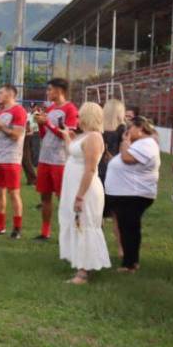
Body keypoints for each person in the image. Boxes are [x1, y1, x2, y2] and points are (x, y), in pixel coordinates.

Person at [58, 103, 109, 284]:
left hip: (85, 189)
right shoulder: (83, 135)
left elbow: (90, 169)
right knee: (74, 221)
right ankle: (80, 261)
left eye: (80, 116)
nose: (77, 119)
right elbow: (73, 154)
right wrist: (68, 138)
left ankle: (83, 272)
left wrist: (80, 196)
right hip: (73, 186)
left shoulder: (95, 137)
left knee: (84, 224)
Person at [105, 116, 161, 273]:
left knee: (129, 229)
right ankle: (130, 261)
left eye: (130, 128)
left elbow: (127, 158)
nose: (127, 132)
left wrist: (125, 143)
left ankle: (129, 264)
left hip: (133, 194)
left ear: (140, 129)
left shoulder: (147, 144)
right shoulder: (142, 144)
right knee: (129, 228)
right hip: (128, 193)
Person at [34, 78, 78, 241]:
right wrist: (40, 124)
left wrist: (48, 124)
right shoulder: (50, 108)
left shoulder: (70, 109)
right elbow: (45, 135)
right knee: (45, 197)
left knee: (63, 198)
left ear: (59, 90)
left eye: (50, 89)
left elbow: (69, 135)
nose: (48, 92)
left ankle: (68, 233)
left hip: (60, 159)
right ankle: (45, 231)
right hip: (45, 158)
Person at [0, 85, 27, 238]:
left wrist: (0, 125)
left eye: (0, 92)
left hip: (12, 158)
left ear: (10, 94)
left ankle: (17, 228)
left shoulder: (19, 111)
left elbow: (16, 135)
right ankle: (0, 225)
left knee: (14, 193)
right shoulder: (1, 112)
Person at [99, 98, 126, 183]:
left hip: (99, 167)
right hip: (115, 168)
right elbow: (124, 153)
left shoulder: (99, 128)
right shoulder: (122, 129)